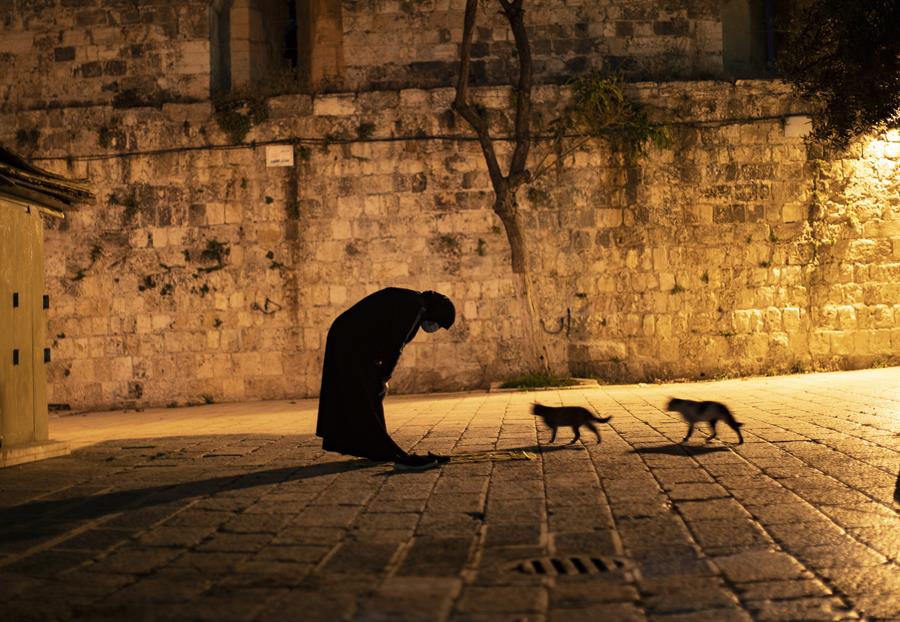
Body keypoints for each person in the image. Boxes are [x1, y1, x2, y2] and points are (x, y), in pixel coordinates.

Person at [316, 287, 455, 470]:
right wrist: (383, 377)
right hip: (349, 340)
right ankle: (380, 448)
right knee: (363, 394)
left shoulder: (413, 303)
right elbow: (395, 346)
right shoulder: (415, 308)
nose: (433, 327)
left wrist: (380, 376)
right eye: (438, 323)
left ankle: (374, 447)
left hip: (350, 338)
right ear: (435, 313)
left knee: (363, 393)